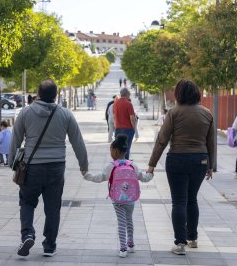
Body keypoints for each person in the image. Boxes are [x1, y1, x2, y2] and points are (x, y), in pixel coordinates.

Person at [9, 79, 88, 258]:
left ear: (37, 94)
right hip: (56, 167)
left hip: (31, 167)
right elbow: (78, 141)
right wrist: (84, 165)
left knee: (27, 202)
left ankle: (27, 234)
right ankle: (49, 246)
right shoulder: (65, 114)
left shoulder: (25, 112)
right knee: (53, 207)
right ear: (56, 95)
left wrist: (12, 163)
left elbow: (16, 139)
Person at [147, 79, 215, 255]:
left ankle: (180, 243)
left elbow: (162, 140)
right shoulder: (207, 114)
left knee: (179, 202)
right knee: (192, 199)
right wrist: (211, 165)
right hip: (200, 160)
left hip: (177, 159)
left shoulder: (174, 113)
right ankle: (193, 238)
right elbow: (211, 142)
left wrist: (152, 164)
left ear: (178, 94)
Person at [83, 134, 153, 258]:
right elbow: (143, 177)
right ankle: (131, 244)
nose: (110, 152)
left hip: (117, 199)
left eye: (110, 149)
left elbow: (99, 178)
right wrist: (151, 173)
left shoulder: (111, 166)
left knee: (121, 222)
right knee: (129, 220)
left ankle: (123, 248)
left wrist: (86, 175)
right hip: (131, 200)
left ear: (115, 151)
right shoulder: (132, 165)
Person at [113, 88, 136, 159]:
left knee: (119, 148)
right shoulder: (129, 104)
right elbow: (132, 118)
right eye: (129, 94)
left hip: (118, 128)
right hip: (128, 129)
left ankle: (118, 164)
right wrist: (134, 128)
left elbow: (114, 116)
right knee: (126, 147)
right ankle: (125, 164)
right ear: (127, 94)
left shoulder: (115, 103)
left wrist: (115, 126)